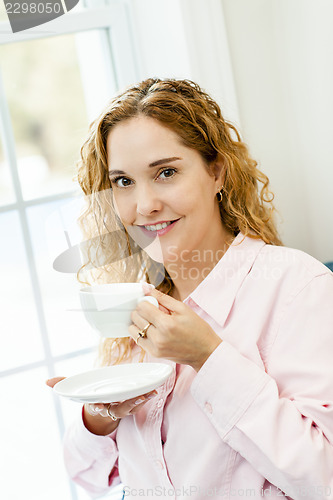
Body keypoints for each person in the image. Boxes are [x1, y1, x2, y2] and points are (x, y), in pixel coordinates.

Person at [47, 78, 333, 499]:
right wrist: (99, 414)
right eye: (123, 181)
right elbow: (86, 476)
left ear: (216, 172)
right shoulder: (133, 301)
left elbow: (323, 476)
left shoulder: (297, 288)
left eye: (166, 172)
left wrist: (208, 357)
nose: (144, 205)